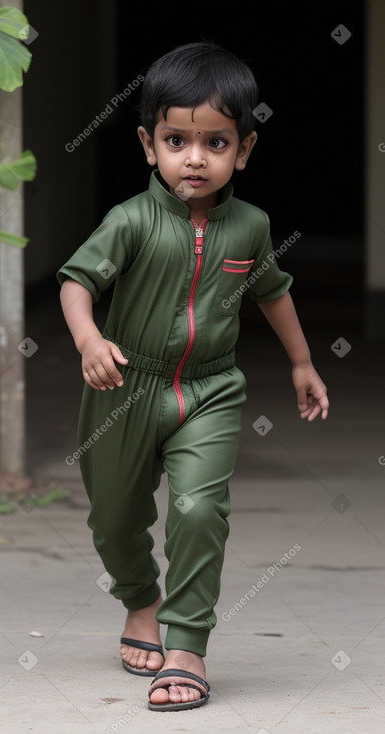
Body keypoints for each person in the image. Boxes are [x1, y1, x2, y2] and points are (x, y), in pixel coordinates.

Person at [57, 41, 329, 712]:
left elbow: (272, 291)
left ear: (244, 149)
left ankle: (185, 646)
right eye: (177, 139)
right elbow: (74, 282)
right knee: (114, 521)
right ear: (150, 145)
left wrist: (300, 362)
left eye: (216, 142)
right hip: (124, 387)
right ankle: (140, 600)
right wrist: (90, 341)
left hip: (208, 391)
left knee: (198, 508)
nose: (195, 158)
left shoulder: (250, 227)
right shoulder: (129, 221)